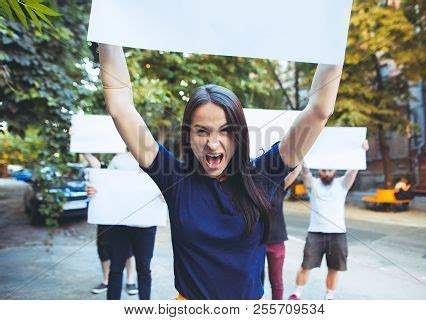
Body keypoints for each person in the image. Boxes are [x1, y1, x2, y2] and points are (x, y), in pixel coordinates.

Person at [98, 43, 342, 299]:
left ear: (239, 135)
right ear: (188, 135)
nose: (213, 144)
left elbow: (319, 110)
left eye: (225, 131)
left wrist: (335, 37)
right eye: (201, 131)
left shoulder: (262, 176)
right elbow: (120, 107)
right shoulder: (175, 179)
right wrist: (108, 33)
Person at [288, 140, 369, 300]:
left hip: (337, 234)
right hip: (315, 234)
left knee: (334, 268)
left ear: (334, 171)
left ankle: (329, 297)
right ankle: (296, 294)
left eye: (330, 169)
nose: (326, 172)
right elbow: (304, 171)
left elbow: (353, 171)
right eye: (324, 169)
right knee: (305, 266)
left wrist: (362, 151)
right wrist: (301, 150)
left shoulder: (342, 184)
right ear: (320, 170)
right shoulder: (313, 185)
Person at [81, 153, 139, 296]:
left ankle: (130, 280)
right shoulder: (115, 159)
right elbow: (100, 174)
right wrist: (82, 148)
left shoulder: (143, 157)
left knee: (129, 249)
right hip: (108, 211)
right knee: (103, 246)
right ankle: (106, 280)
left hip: (129, 211)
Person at [263, 164, 302, 300]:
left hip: (276, 241)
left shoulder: (279, 187)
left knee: (276, 281)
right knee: (255, 281)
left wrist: (299, 151)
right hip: (256, 242)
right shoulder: (252, 186)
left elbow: (296, 170)